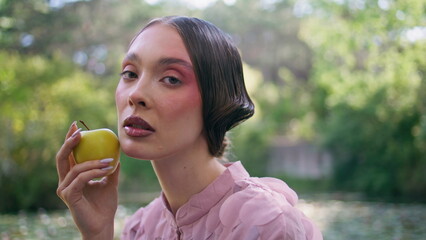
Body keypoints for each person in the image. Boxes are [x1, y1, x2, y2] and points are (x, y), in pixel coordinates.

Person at [56, 16, 323, 240]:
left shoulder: (266, 225)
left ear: (216, 99)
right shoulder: (140, 229)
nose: (136, 94)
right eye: (130, 73)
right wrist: (98, 233)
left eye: (171, 79)